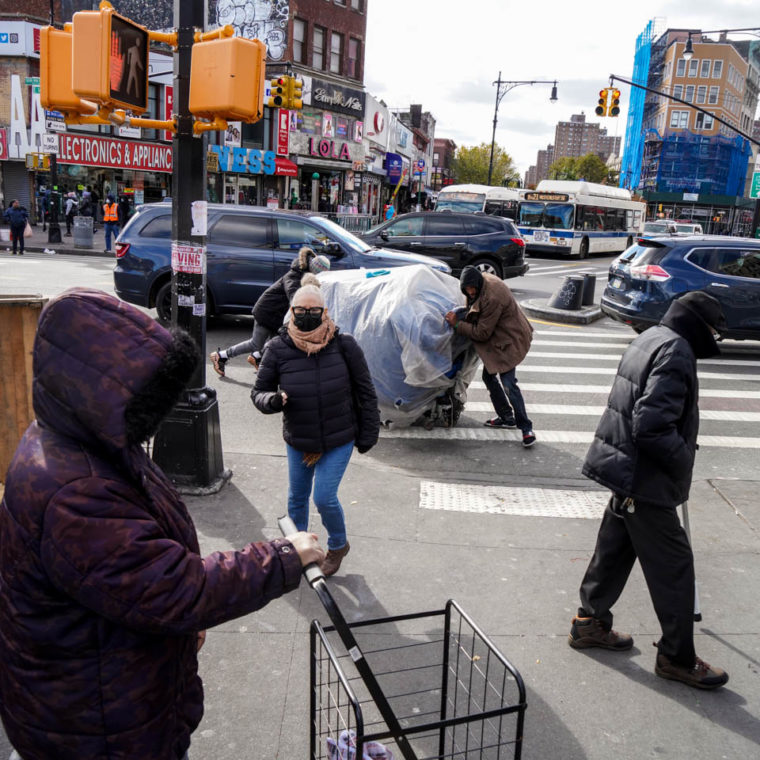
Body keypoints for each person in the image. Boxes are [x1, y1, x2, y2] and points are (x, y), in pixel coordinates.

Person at [0, 288, 325, 759]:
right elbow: (175, 587)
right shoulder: (74, 491)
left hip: (108, 694)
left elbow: (146, 574)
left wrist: (178, 621)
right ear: (104, 392)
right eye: (146, 398)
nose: (155, 414)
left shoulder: (86, 440)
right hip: (97, 727)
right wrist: (283, 557)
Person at [569, 291, 729, 690]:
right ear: (698, 326)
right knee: (675, 567)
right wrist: (683, 459)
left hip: (626, 469)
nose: (714, 338)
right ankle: (677, 658)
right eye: (713, 330)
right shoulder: (677, 351)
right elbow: (652, 424)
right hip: (645, 478)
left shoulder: (652, 336)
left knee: (614, 547)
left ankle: (589, 622)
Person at [252, 281, 380, 577]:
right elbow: (259, 391)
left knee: (323, 497)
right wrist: (272, 400)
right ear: (291, 311)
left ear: (325, 312)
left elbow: (366, 391)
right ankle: (298, 552)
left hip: (339, 437)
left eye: (313, 310)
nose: (307, 314)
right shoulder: (277, 348)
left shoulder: (344, 344)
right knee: (296, 498)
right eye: (300, 310)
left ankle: (338, 546)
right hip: (299, 439)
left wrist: (368, 433)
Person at [444, 266, 536, 447]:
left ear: (478, 284)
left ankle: (526, 428)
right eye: (467, 290)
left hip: (509, 341)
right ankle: (506, 417)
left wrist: (457, 325)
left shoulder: (492, 297)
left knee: (509, 384)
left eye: (472, 289)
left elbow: (481, 333)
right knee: (489, 376)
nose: (470, 292)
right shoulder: (480, 281)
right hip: (499, 339)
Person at [210, 246, 331, 376]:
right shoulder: (294, 276)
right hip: (266, 311)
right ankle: (221, 355)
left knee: (277, 343)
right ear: (314, 270)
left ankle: (257, 358)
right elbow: (294, 296)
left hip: (276, 315)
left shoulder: (302, 275)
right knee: (256, 343)